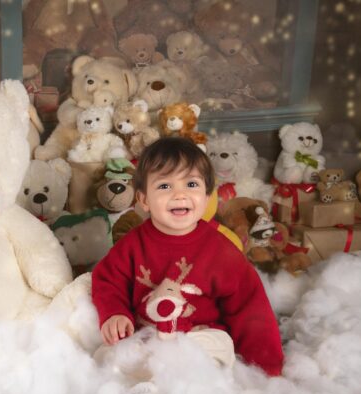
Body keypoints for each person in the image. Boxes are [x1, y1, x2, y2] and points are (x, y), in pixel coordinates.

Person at [91, 137, 284, 376]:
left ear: (207, 197)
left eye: (191, 184)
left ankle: (192, 384)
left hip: (200, 337)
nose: (179, 195)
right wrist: (115, 313)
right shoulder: (132, 245)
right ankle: (145, 385)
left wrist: (267, 369)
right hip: (149, 337)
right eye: (165, 186)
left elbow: (250, 308)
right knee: (107, 356)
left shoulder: (220, 250)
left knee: (218, 348)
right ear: (144, 200)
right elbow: (107, 281)